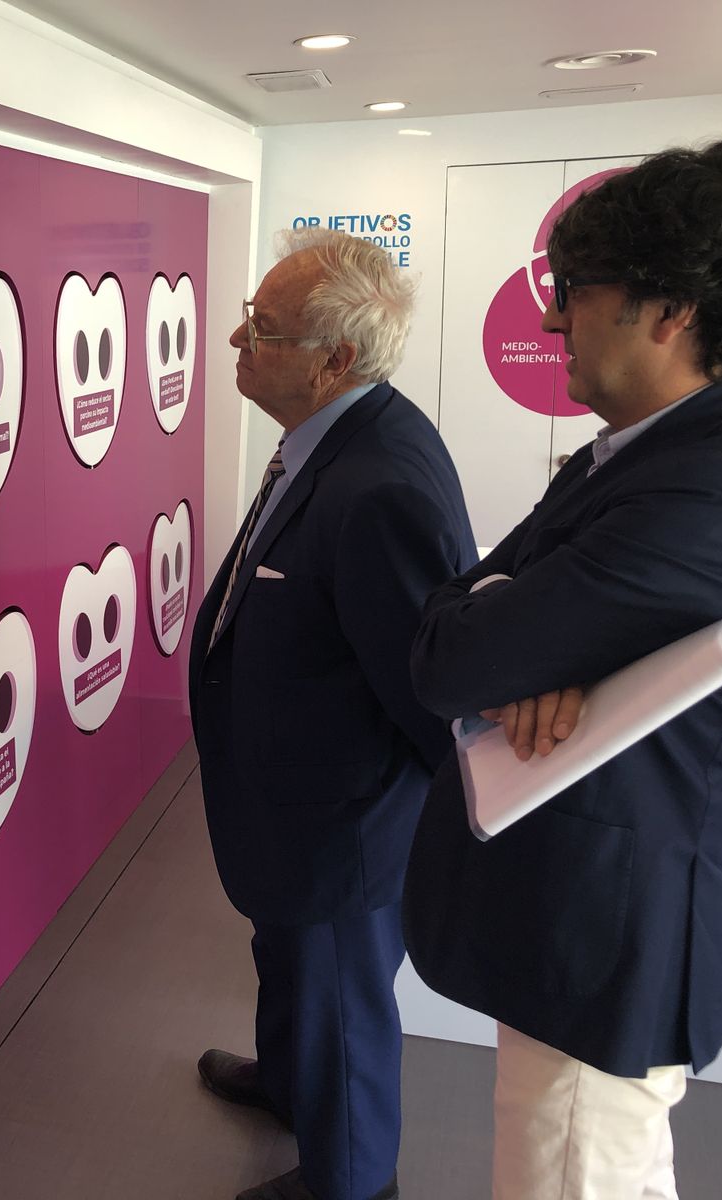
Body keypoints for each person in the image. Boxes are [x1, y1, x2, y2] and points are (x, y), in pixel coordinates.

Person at [404, 140, 722, 1200]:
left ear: (670, 310)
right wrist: (512, 633)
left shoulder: (717, 493)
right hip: (582, 924)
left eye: (576, 290)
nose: (554, 320)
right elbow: (461, 611)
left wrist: (507, 636)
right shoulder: (654, 455)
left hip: (605, 945)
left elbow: (450, 656)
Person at [189, 230, 476, 1200]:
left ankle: (351, 1180)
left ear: (334, 359)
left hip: (340, 822)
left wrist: (396, 832)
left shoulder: (379, 483)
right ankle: (290, 1082)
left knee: (341, 1004)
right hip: (293, 803)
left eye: (263, 328)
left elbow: (427, 692)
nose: (238, 338)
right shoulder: (338, 438)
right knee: (290, 965)